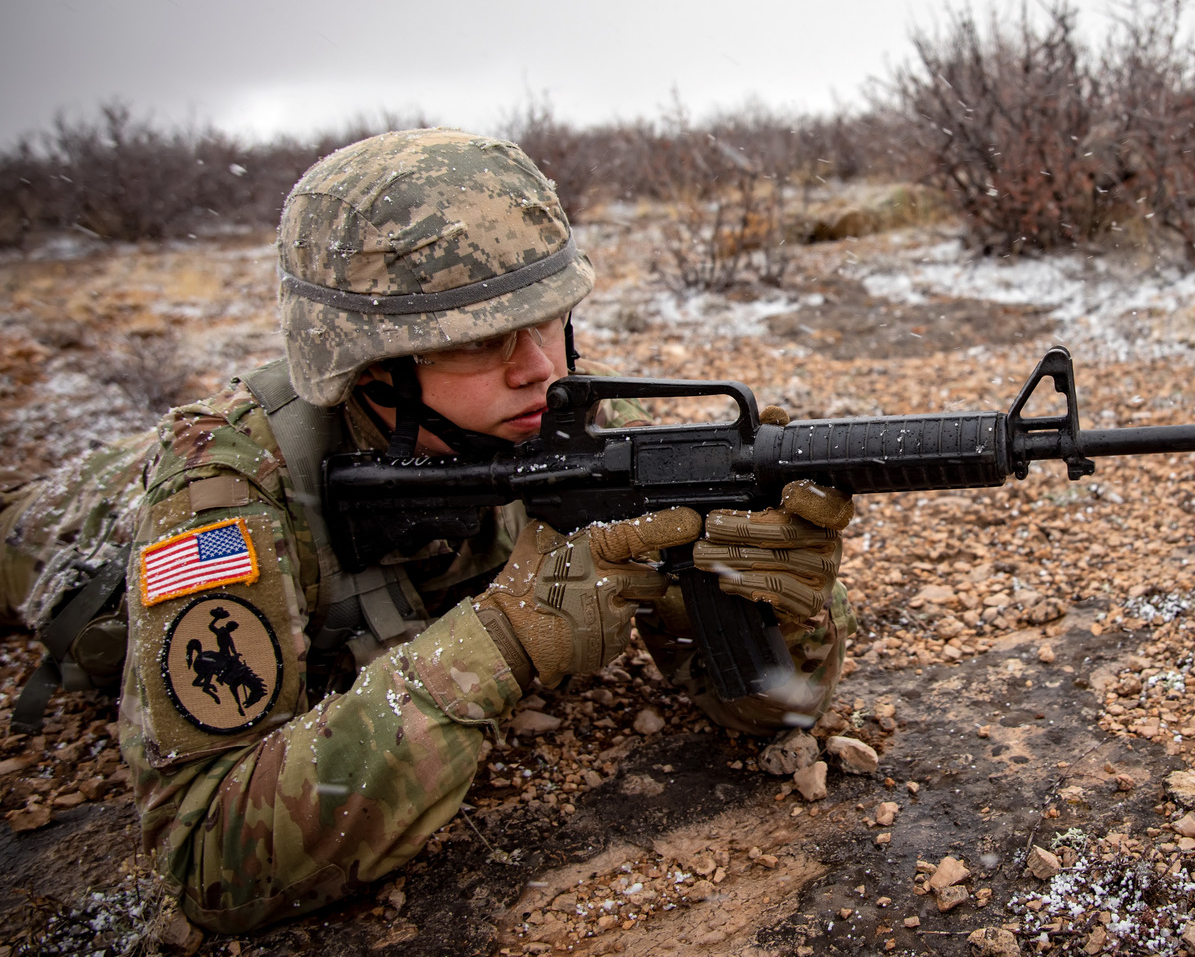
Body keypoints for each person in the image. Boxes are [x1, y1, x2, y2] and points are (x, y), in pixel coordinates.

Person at [0, 129, 855, 932]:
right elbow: (207, 859)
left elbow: (763, 710)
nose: (541, 369)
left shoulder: (565, 417)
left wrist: (777, 598)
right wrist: (501, 644)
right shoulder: (222, 492)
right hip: (66, 530)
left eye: (550, 316)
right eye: (479, 342)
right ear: (369, 370)